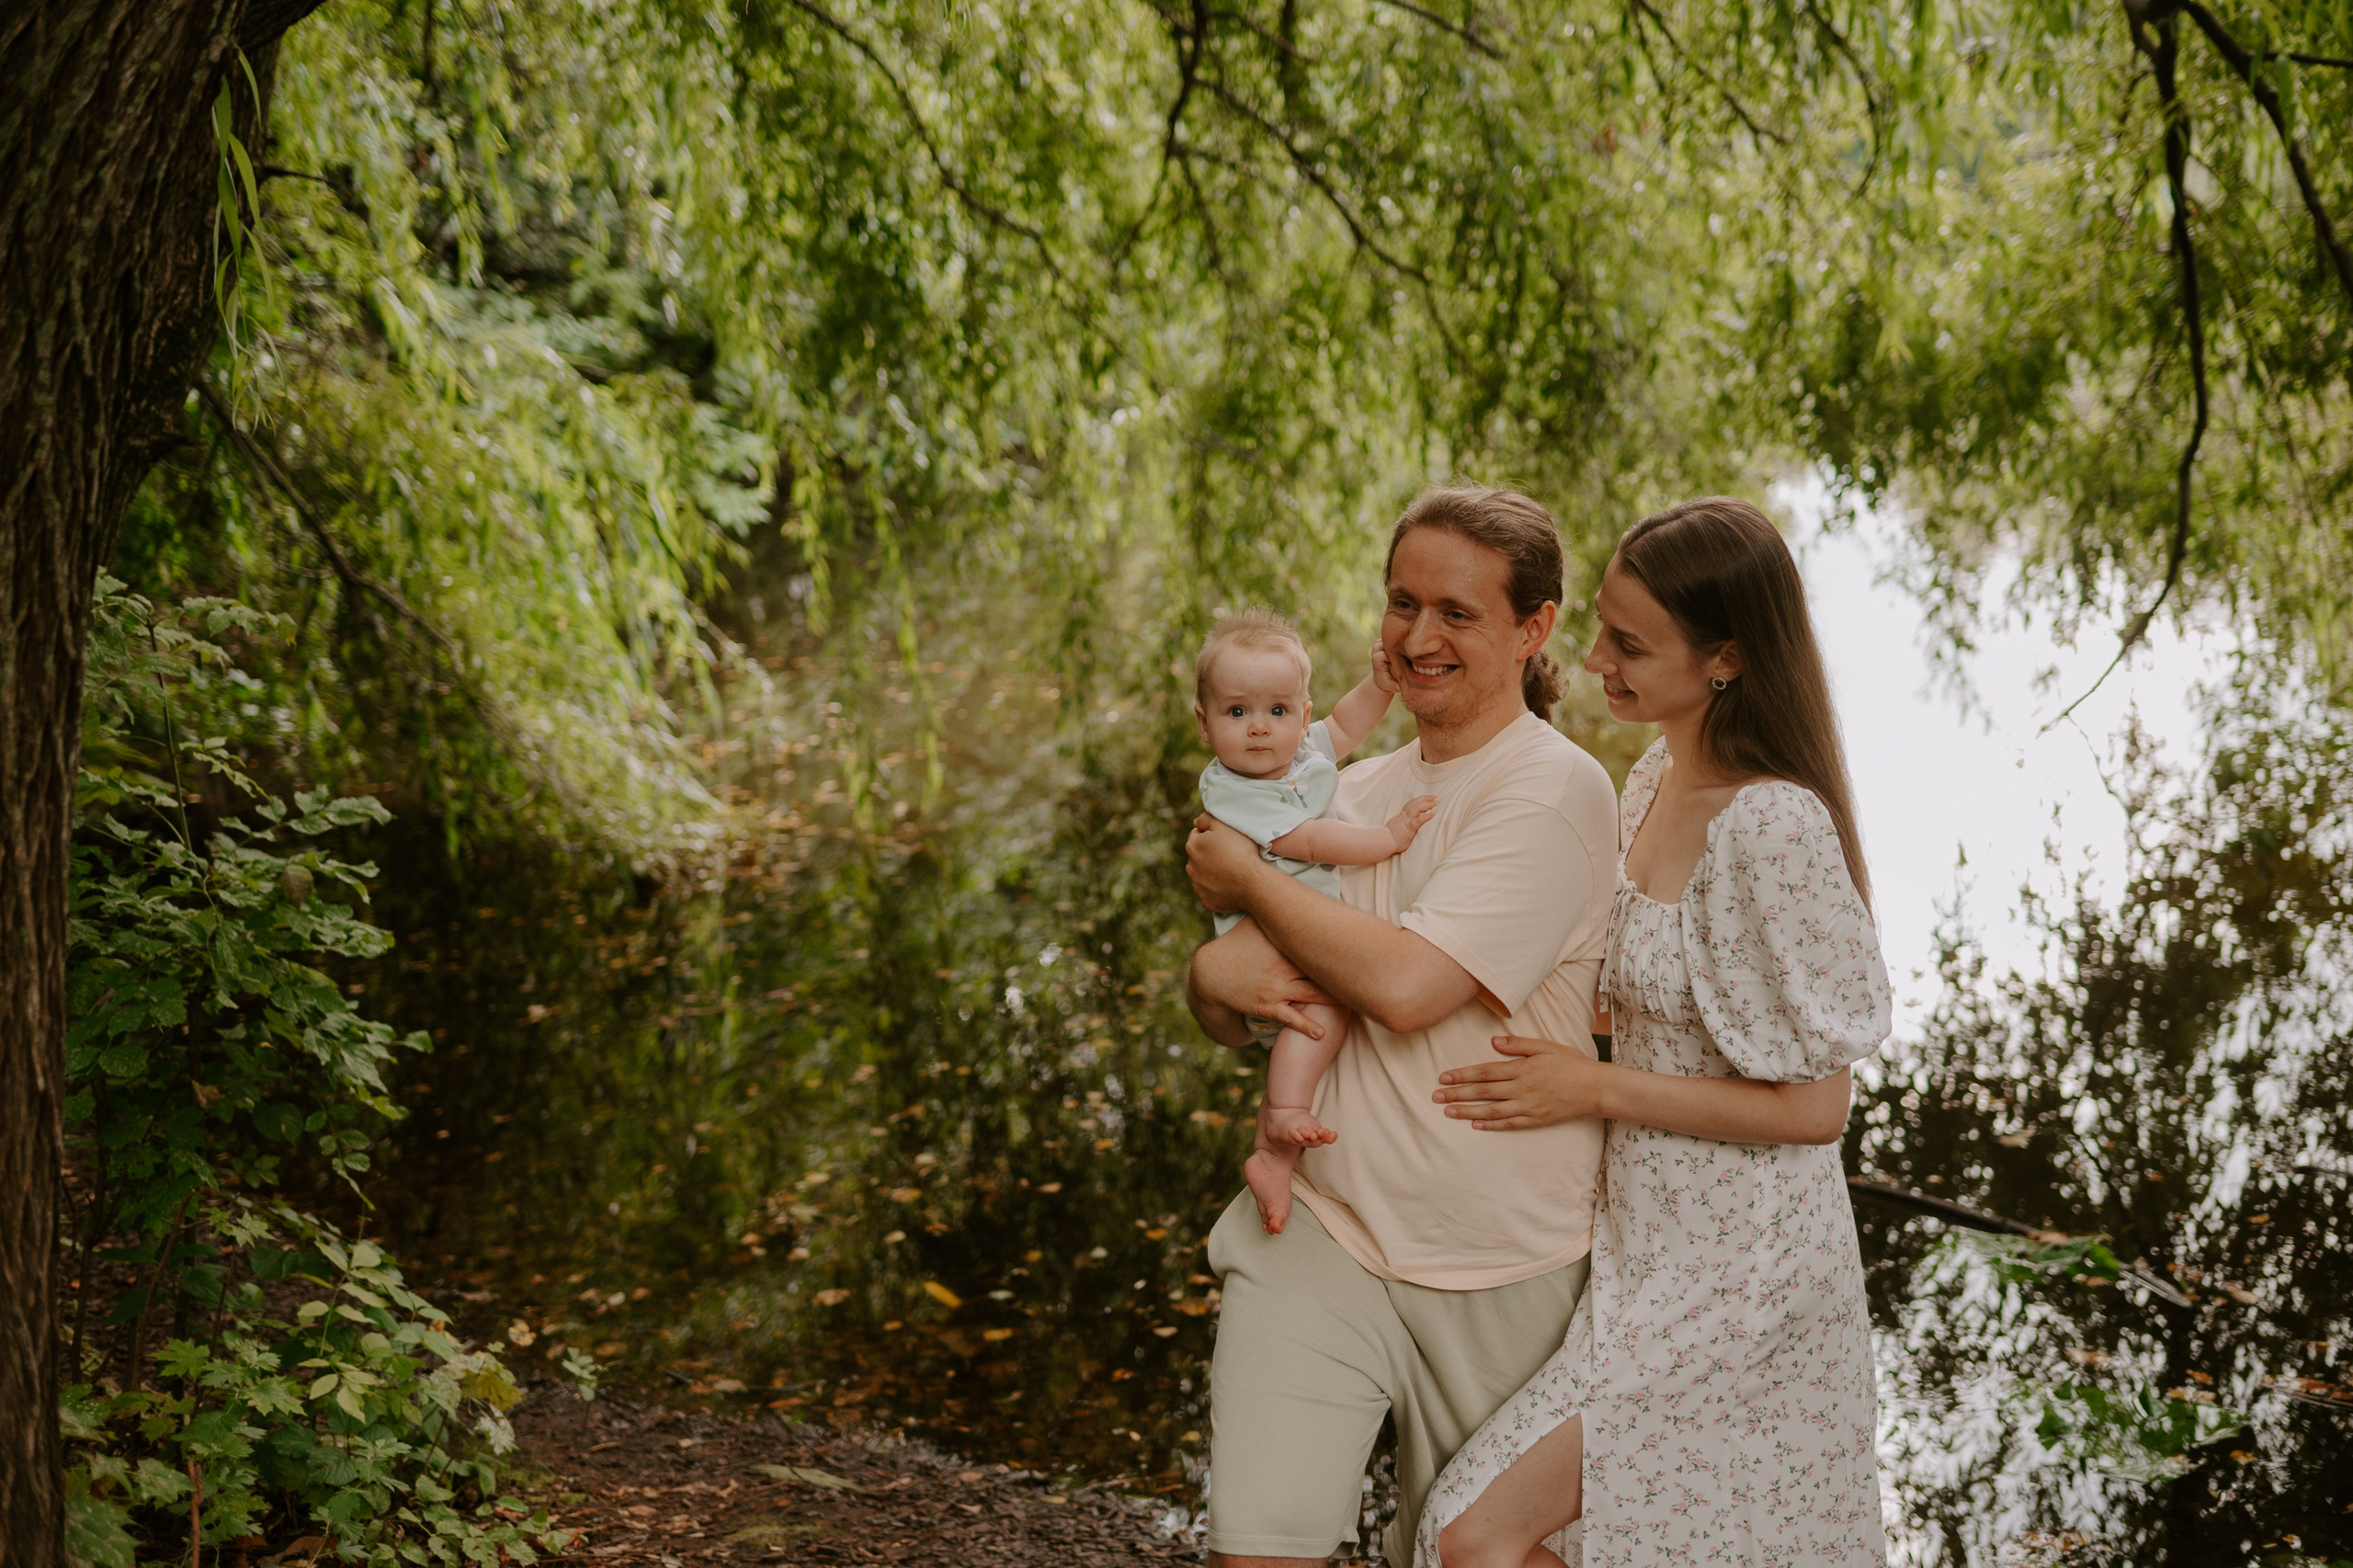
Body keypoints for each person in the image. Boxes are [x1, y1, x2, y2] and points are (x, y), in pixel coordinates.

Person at [1413, 495, 1892, 1568]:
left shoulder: (1771, 823)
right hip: (1645, 1248)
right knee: (1628, 1539)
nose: (1591, 658)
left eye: (1629, 644)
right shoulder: (1649, 783)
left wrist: (1595, 1090)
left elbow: (1820, 1107)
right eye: (1601, 626)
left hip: (1747, 1270)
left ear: (1725, 656)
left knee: (1475, 1534)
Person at [1185, 487, 1620, 1567]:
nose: (1417, 637)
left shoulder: (1554, 788)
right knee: (1256, 1551)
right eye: (1400, 602)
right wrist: (1206, 969)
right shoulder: (1345, 788)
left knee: (1492, 1559)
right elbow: (1231, 991)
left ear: (1533, 628)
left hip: (1504, 1265)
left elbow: (1413, 985)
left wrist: (1244, 876)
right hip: (1321, 1232)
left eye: (1457, 613)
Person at [1189, 609, 1438, 1234]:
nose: (1258, 730)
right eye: (1237, 712)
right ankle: (1284, 1117)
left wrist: (1379, 686)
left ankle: (1272, 1158)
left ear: (1300, 715)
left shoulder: (1296, 757)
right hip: (1278, 955)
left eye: (1277, 711)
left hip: (1291, 938)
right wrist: (1387, 837)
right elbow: (1309, 839)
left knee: (1306, 1029)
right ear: (1204, 722)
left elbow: (1343, 727)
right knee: (1322, 1013)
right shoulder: (1235, 792)